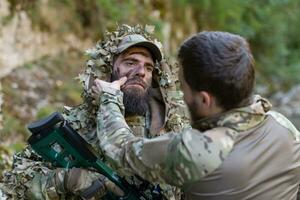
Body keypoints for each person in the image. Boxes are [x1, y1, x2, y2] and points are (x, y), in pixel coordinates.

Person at [91, 31, 300, 200]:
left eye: (183, 87)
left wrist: (109, 98)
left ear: (204, 100)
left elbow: (120, 150)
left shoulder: (195, 150)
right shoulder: (284, 127)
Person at [0, 24, 189, 199]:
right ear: (108, 69)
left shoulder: (173, 130)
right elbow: (14, 186)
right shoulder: (76, 124)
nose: (141, 72)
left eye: (149, 67)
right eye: (131, 63)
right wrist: (70, 179)